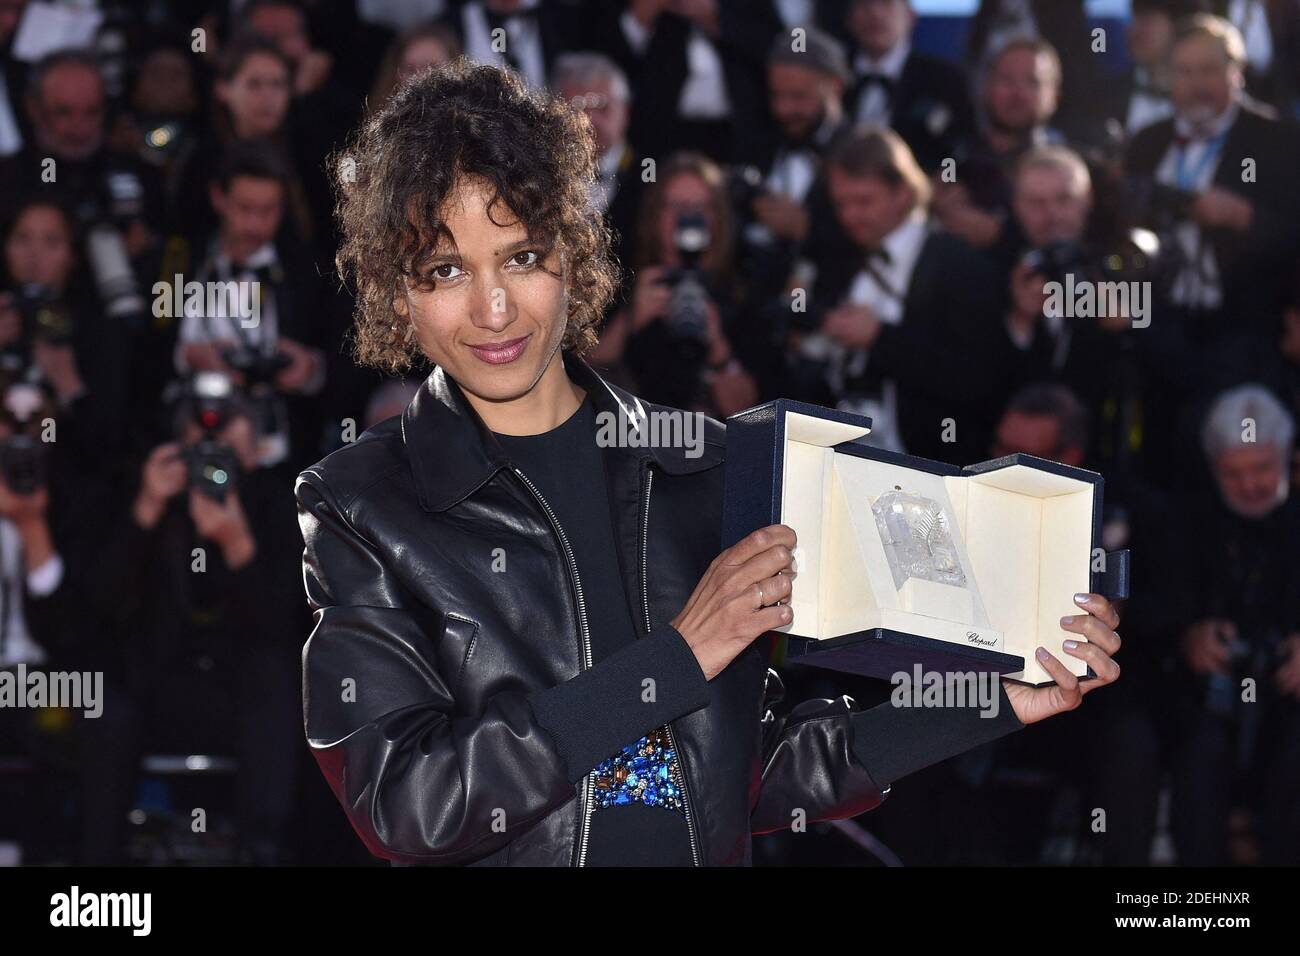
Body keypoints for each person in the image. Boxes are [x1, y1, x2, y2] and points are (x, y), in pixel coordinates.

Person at [296, 59, 1123, 867]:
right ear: (396, 294)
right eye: (447, 271)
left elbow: (757, 772)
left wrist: (997, 700)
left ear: (572, 256)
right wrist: (678, 659)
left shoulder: (697, 463)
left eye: (521, 256)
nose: (495, 307)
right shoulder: (362, 505)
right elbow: (410, 808)